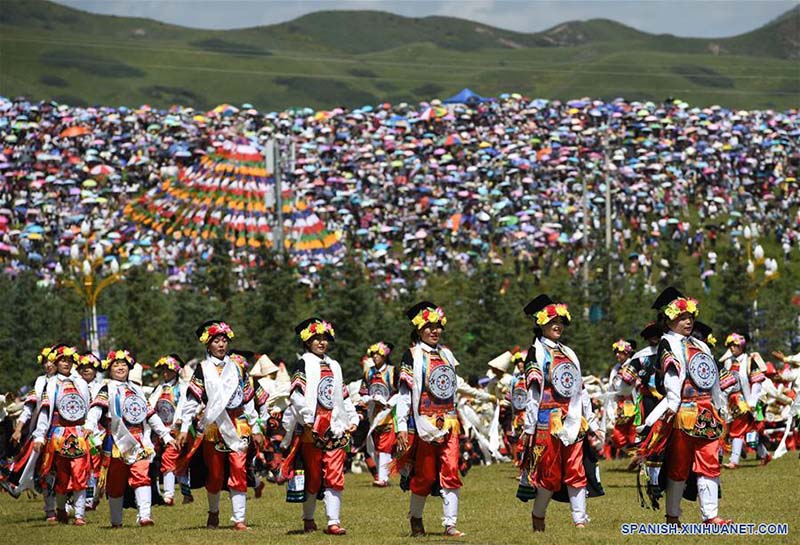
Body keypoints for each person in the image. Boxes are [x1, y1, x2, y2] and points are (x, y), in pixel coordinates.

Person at [638, 287, 731, 526]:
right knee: (678, 466)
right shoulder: (667, 343)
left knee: (710, 461)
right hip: (681, 412)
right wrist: (670, 405)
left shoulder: (701, 346)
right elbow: (670, 377)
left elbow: (712, 378)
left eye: (690, 317)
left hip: (706, 411)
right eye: (682, 317)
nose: (688, 321)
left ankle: (710, 516)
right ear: (669, 319)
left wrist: (719, 404)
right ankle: (672, 515)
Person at [176, 320, 264, 531]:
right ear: (208, 345)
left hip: (239, 424)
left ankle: (239, 519)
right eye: (217, 341)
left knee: (239, 468)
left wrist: (257, 427)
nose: (221, 345)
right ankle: (213, 512)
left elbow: (248, 399)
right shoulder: (203, 369)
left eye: (224, 340)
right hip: (214, 425)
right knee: (215, 474)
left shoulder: (237, 368)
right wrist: (183, 427)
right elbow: (191, 400)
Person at [518, 294, 592, 531]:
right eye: (552, 322)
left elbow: (580, 390)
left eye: (560, 321)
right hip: (546, 420)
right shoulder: (536, 353)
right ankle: (538, 516)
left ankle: (580, 520)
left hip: (571, 417)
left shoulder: (569, 353)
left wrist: (589, 419)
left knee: (576, 468)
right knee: (548, 474)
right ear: (541, 324)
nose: (557, 325)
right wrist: (529, 427)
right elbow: (533, 394)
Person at [282, 318, 359, 535]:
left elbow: (342, 396)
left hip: (334, 426)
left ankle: (333, 522)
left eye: (325, 338)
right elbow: (296, 394)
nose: (321, 342)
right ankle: (308, 518)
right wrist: (307, 417)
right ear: (307, 342)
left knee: (335, 474)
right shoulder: (303, 363)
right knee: (313, 476)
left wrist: (352, 418)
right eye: (317, 338)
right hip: (311, 428)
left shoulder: (334, 365)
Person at [394, 301, 465, 538]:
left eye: (437, 326)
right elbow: (404, 394)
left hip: (449, 421)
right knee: (424, 474)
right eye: (428, 326)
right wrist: (401, 425)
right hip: (423, 422)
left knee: (452, 469)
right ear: (418, 329)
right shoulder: (411, 355)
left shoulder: (447, 354)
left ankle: (450, 524)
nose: (434, 331)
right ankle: (416, 518)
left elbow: (454, 387)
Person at [86, 349, 175, 528]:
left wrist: (165, 435)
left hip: (138, 440)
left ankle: (144, 516)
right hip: (116, 440)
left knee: (141, 475)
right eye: (116, 364)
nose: (120, 367)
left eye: (124, 364)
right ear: (109, 369)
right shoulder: (106, 389)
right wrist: (89, 425)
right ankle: (116, 521)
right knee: (115, 482)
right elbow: (96, 409)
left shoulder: (137, 390)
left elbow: (150, 414)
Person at [31, 344, 91, 525]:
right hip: (57, 434)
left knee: (80, 472)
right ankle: (59, 509)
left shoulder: (80, 382)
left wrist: (90, 427)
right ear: (56, 362)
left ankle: (80, 515)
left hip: (79, 432)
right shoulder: (50, 384)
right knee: (58, 474)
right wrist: (40, 435)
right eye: (63, 360)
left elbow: (87, 409)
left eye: (69, 360)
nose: (66, 363)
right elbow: (45, 411)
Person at [5, 345, 58, 520]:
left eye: (52, 361)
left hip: (67, 430)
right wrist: (19, 428)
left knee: (68, 469)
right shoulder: (40, 382)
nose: (48, 365)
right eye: (45, 362)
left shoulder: (70, 380)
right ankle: (50, 509)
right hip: (44, 432)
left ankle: (73, 507)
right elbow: (28, 407)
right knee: (46, 469)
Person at [720, 333, 768, 468]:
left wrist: (752, 402)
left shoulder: (749, 360)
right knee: (748, 430)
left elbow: (756, 382)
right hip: (731, 400)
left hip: (744, 400)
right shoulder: (728, 362)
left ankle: (734, 461)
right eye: (730, 346)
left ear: (741, 346)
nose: (732, 349)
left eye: (734, 346)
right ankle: (765, 455)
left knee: (738, 429)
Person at [148, 354, 187, 505]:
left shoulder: (182, 388)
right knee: (154, 461)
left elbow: (186, 406)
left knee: (169, 458)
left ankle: (169, 495)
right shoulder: (158, 389)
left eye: (168, 370)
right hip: (158, 431)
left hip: (176, 430)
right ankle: (156, 493)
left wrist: (180, 422)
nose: (165, 373)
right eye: (163, 370)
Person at [360, 341, 397, 487]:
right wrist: (367, 399)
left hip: (389, 413)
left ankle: (383, 478)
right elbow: (363, 392)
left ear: (385, 355)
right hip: (373, 414)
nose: (375, 357)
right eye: (373, 354)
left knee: (385, 446)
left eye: (378, 354)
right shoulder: (369, 372)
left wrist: (388, 403)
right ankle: (382, 475)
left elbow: (401, 392)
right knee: (376, 445)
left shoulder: (393, 371)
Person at [75, 352, 105, 511]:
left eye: (90, 367)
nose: (87, 370)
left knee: (96, 465)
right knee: (82, 465)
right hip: (76, 430)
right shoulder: (73, 384)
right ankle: (84, 499)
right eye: (83, 367)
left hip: (97, 430)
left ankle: (94, 496)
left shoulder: (102, 386)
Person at [606, 339, 638, 458]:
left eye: (620, 352)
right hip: (620, 405)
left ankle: (641, 460)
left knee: (634, 433)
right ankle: (635, 456)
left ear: (627, 353)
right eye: (616, 352)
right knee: (617, 435)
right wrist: (610, 408)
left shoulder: (634, 365)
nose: (617, 355)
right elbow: (611, 390)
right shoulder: (615, 369)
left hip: (634, 403)